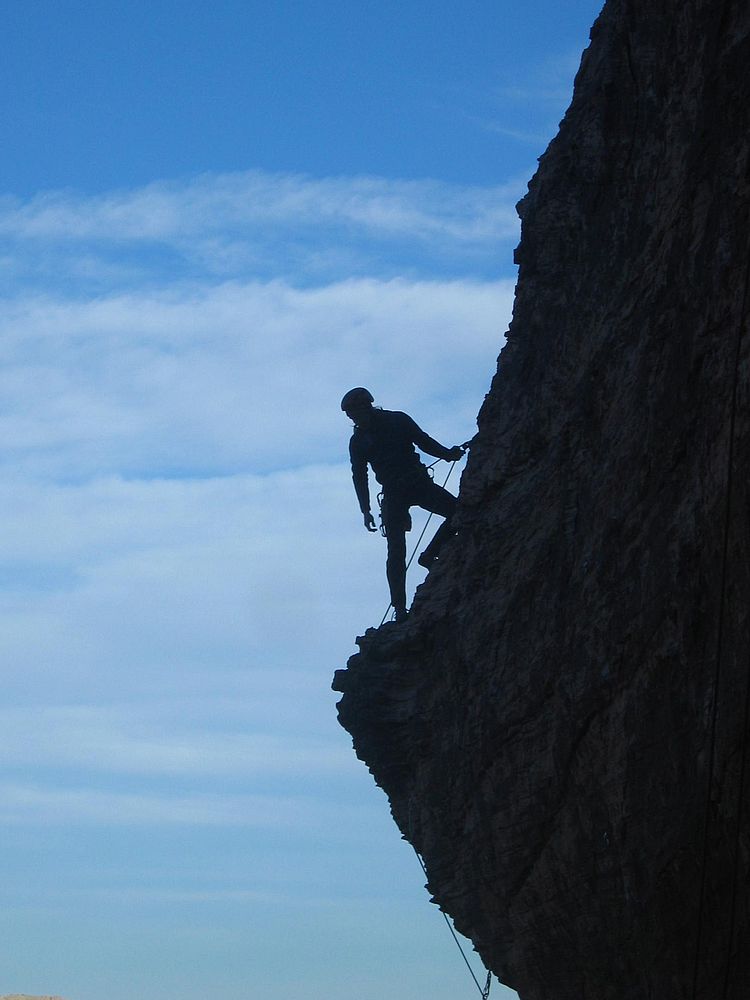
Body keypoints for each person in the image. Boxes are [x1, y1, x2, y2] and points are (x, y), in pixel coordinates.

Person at [342, 387, 464, 623]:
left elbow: (423, 442)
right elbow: (359, 476)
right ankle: (400, 607)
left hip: (410, 486)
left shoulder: (387, 426)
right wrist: (365, 509)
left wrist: (447, 454)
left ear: (366, 407)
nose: (353, 419)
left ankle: (429, 556)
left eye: (354, 413)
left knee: (458, 512)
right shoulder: (367, 436)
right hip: (401, 490)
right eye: (350, 416)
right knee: (396, 550)